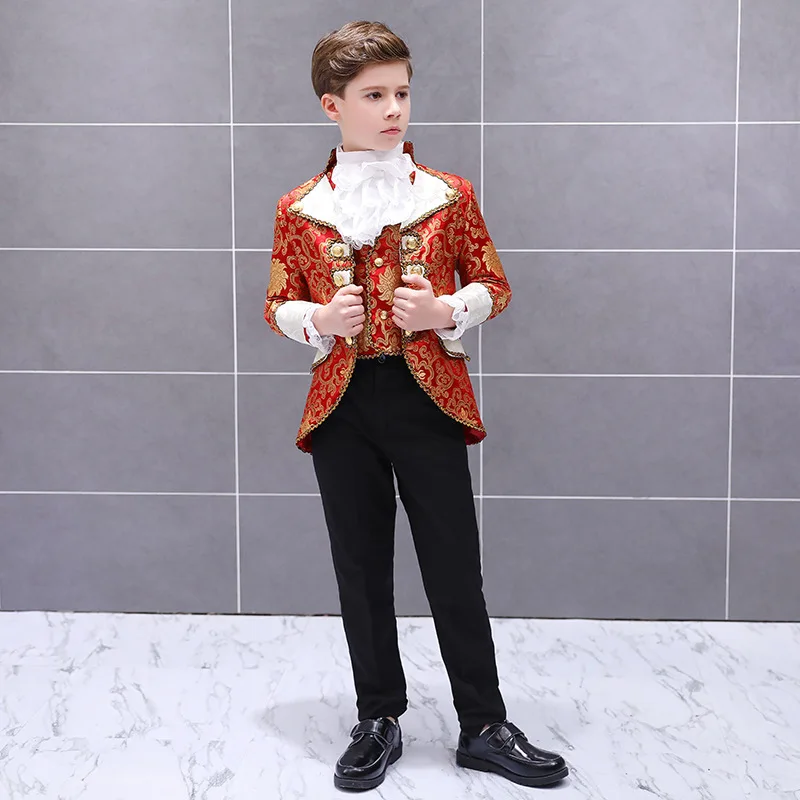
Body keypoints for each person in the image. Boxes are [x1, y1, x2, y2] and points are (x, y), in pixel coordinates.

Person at [264, 19, 569, 792]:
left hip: (428, 399)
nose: (394, 108)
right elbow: (276, 302)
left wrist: (445, 311)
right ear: (332, 106)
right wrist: (317, 320)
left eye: (401, 92)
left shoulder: (448, 195)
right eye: (374, 95)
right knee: (360, 567)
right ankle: (378, 717)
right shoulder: (299, 208)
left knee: (454, 565)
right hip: (342, 407)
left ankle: (483, 724)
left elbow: (494, 284)